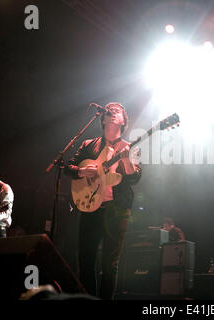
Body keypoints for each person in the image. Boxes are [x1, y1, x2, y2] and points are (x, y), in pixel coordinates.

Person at [65, 102, 141, 299]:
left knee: (109, 263)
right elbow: (68, 167)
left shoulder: (128, 147)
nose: (114, 112)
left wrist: (125, 160)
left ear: (124, 121)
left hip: (116, 210)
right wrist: (81, 171)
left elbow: (135, 178)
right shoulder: (88, 144)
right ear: (103, 118)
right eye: (110, 110)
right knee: (85, 259)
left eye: (118, 111)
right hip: (90, 206)